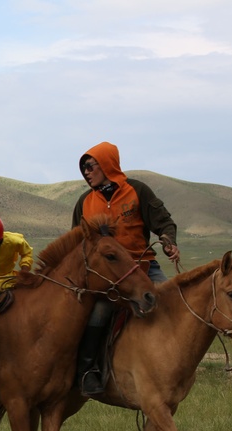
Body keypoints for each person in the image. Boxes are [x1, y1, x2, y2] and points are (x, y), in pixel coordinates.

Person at [71, 141, 180, 395]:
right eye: (83, 168)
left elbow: (163, 223)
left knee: (172, 300)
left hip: (143, 265)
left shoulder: (137, 191)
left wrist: (169, 242)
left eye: (90, 166)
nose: (86, 172)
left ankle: (173, 364)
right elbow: (76, 242)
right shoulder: (84, 202)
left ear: (107, 164)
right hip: (107, 274)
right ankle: (87, 371)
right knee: (98, 312)